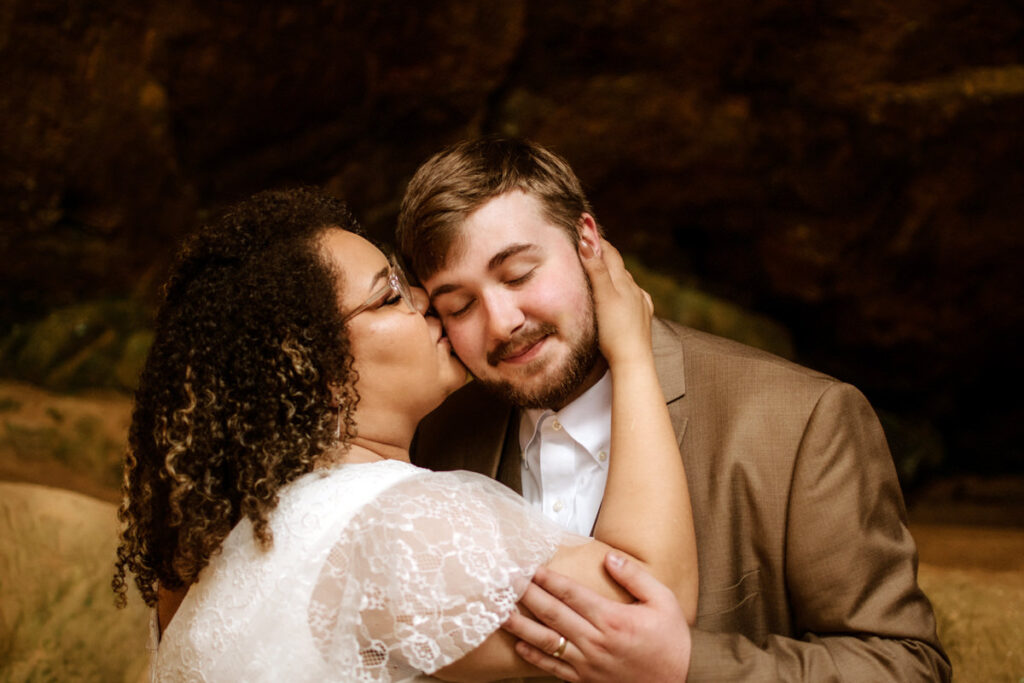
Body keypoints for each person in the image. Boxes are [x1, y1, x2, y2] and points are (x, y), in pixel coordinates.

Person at [396, 137, 951, 681]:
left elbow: (905, 665)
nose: (501, 322)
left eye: (518, 274)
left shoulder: (804, 420)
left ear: (586, 241)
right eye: (459, 305)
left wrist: (687, 666)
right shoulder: (434, 438)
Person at [112, 187, 698, 681]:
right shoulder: (393, 525)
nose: (426, 301)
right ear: (314, 371)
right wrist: (632, 354)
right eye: (389, 295)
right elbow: (646, 606)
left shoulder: (223, 544)